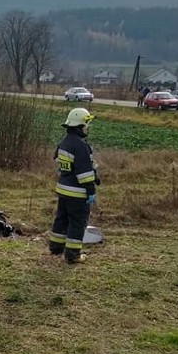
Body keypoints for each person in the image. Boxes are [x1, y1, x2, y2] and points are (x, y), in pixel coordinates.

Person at [49, 107, 99, 264]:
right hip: (78, 193)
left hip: (63, 189)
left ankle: (56, 247)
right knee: (77, 222)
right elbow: (84, 172)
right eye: (86, 124)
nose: (88, 127)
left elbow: (58, 160)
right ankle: (73, 255)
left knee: (61, 219)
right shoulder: (80, 145)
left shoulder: (64, 142)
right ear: (80, 126)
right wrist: (91, 189)